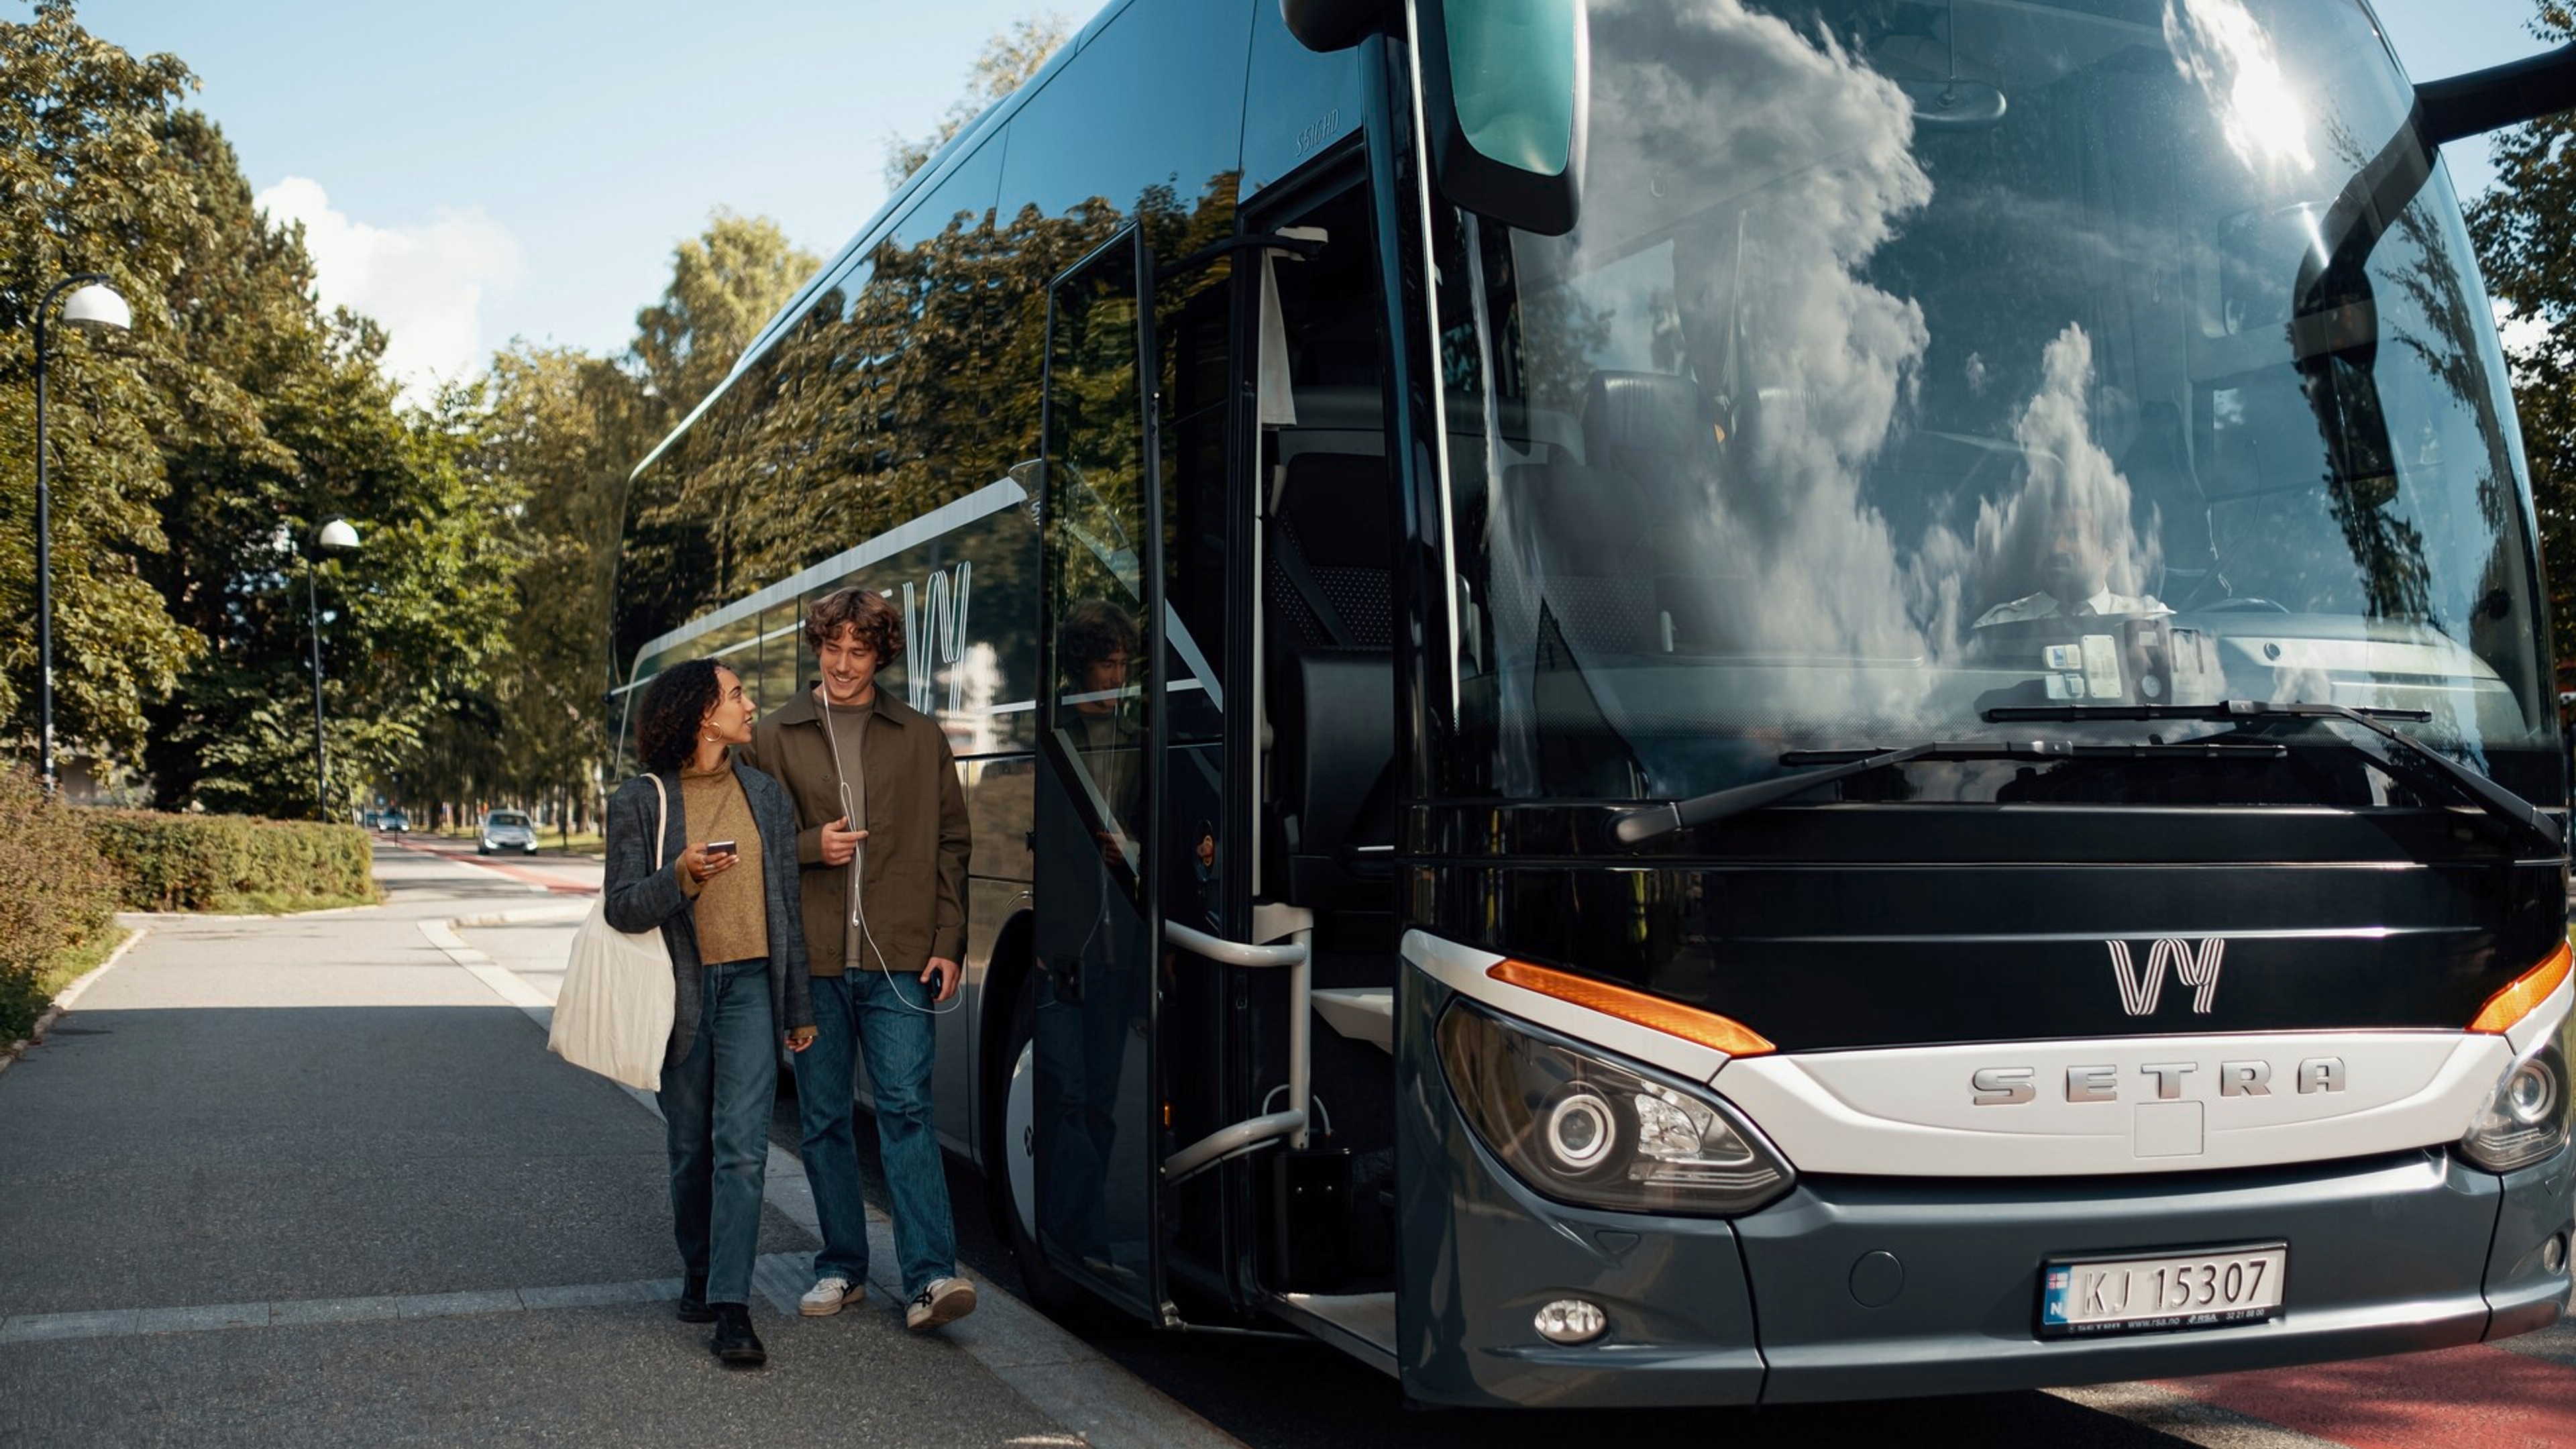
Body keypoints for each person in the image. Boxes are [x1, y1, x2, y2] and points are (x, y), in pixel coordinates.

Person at [745, 585, 978, 1333]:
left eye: (861, 652)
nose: (844, 665)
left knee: (907, 1110)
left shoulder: (918, 735)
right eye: (833, 648)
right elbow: (748, 840)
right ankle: (842, 1266)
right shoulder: (774, 735)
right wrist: (815, 847)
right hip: (811, 963)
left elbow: (952, 844)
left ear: (882, 655)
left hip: (900, 958)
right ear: (817, 646)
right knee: (822, 1119)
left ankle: (930, 1277)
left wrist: (947, 943)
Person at [604, 658, 816, 1368]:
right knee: (690, 1148)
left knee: (743, 1151)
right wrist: (683, 875)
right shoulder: (641, 801)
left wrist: (798, 1005)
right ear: (702, 715)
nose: (751, 706)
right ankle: (698, 1270)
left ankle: (732, 1306)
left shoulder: (766, 796)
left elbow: (785, 907)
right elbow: (623, 906)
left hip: (753, 986)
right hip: (682, 990)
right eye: (737, 696)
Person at [1974, 489, 2168, 626]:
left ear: (2109, 552)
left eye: (2074, 536)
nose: (2056, 549)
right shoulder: (1997, 627)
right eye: (2049, 536)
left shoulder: (2147, 621)